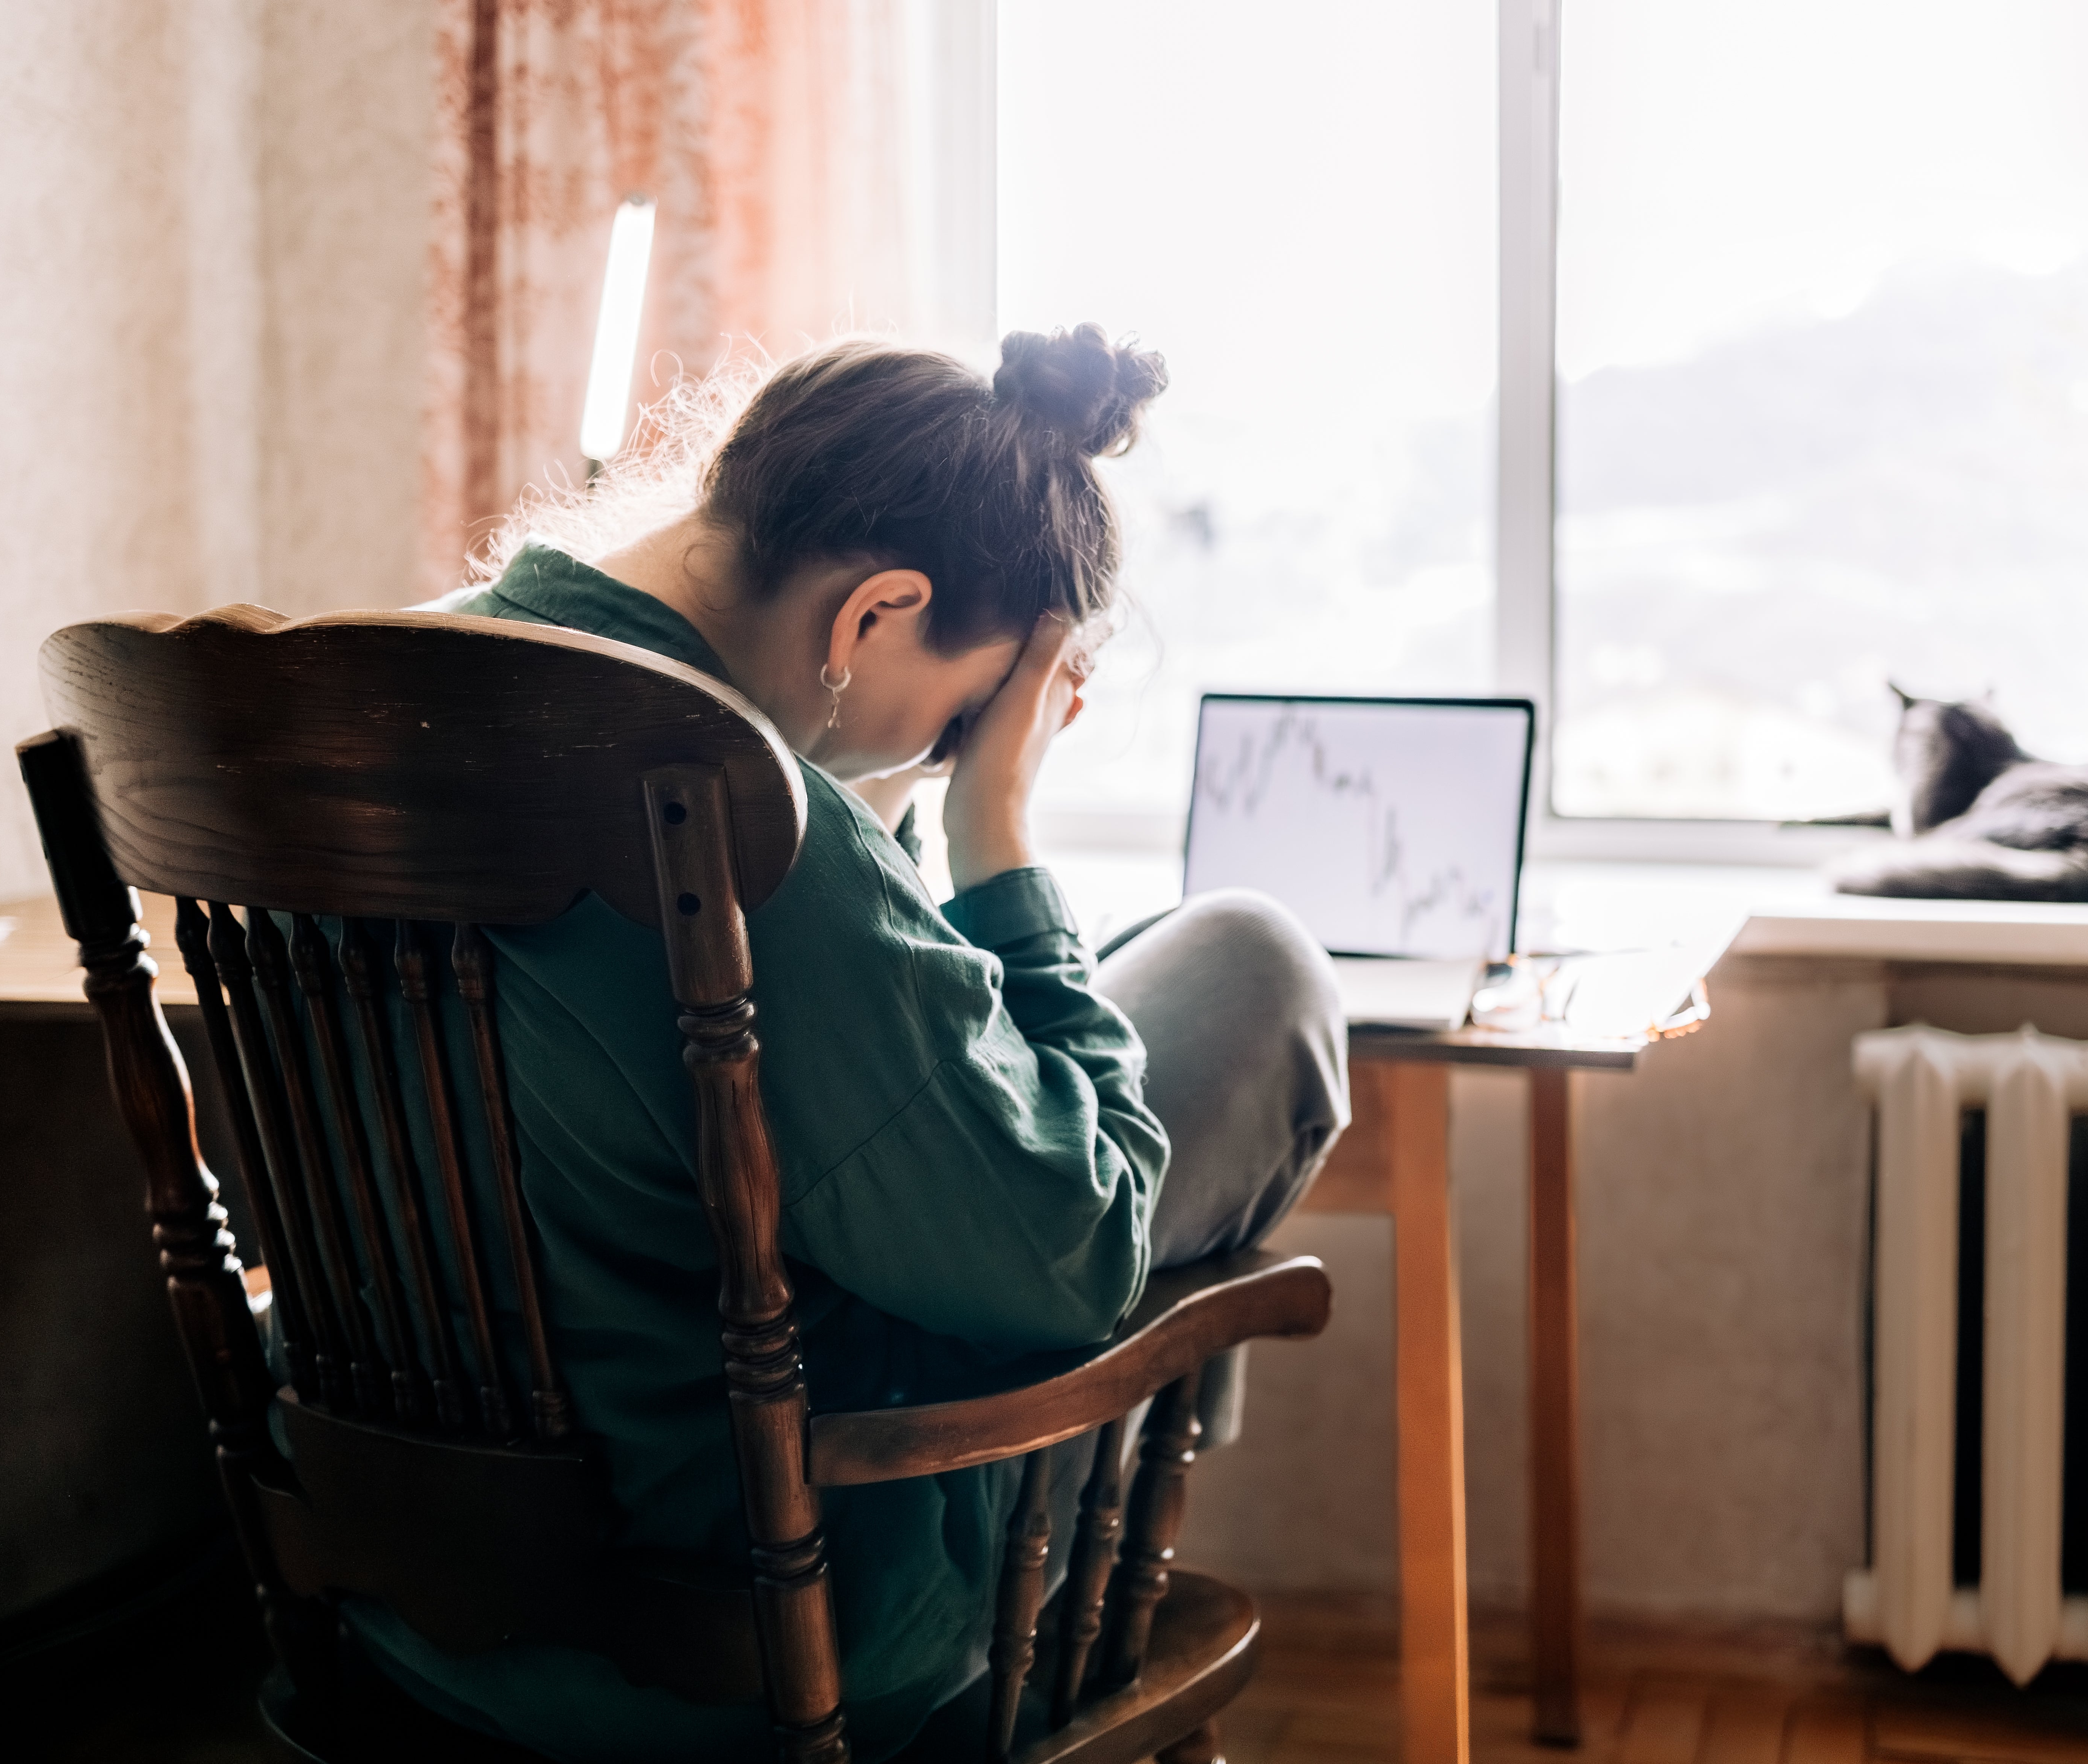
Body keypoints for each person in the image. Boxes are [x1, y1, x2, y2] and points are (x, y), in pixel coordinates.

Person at [365, 327, 1350, 1761]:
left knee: (1115, 1040)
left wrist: (886, 805)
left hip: (398, 1602)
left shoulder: (390, 682)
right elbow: (1070, 1256)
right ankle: (1097, 1481)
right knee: (1253, 967)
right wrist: (995, 831)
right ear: (876, 611)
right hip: (742, 1621)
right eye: (962, 721)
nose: (951, 755)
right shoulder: (747, 822)